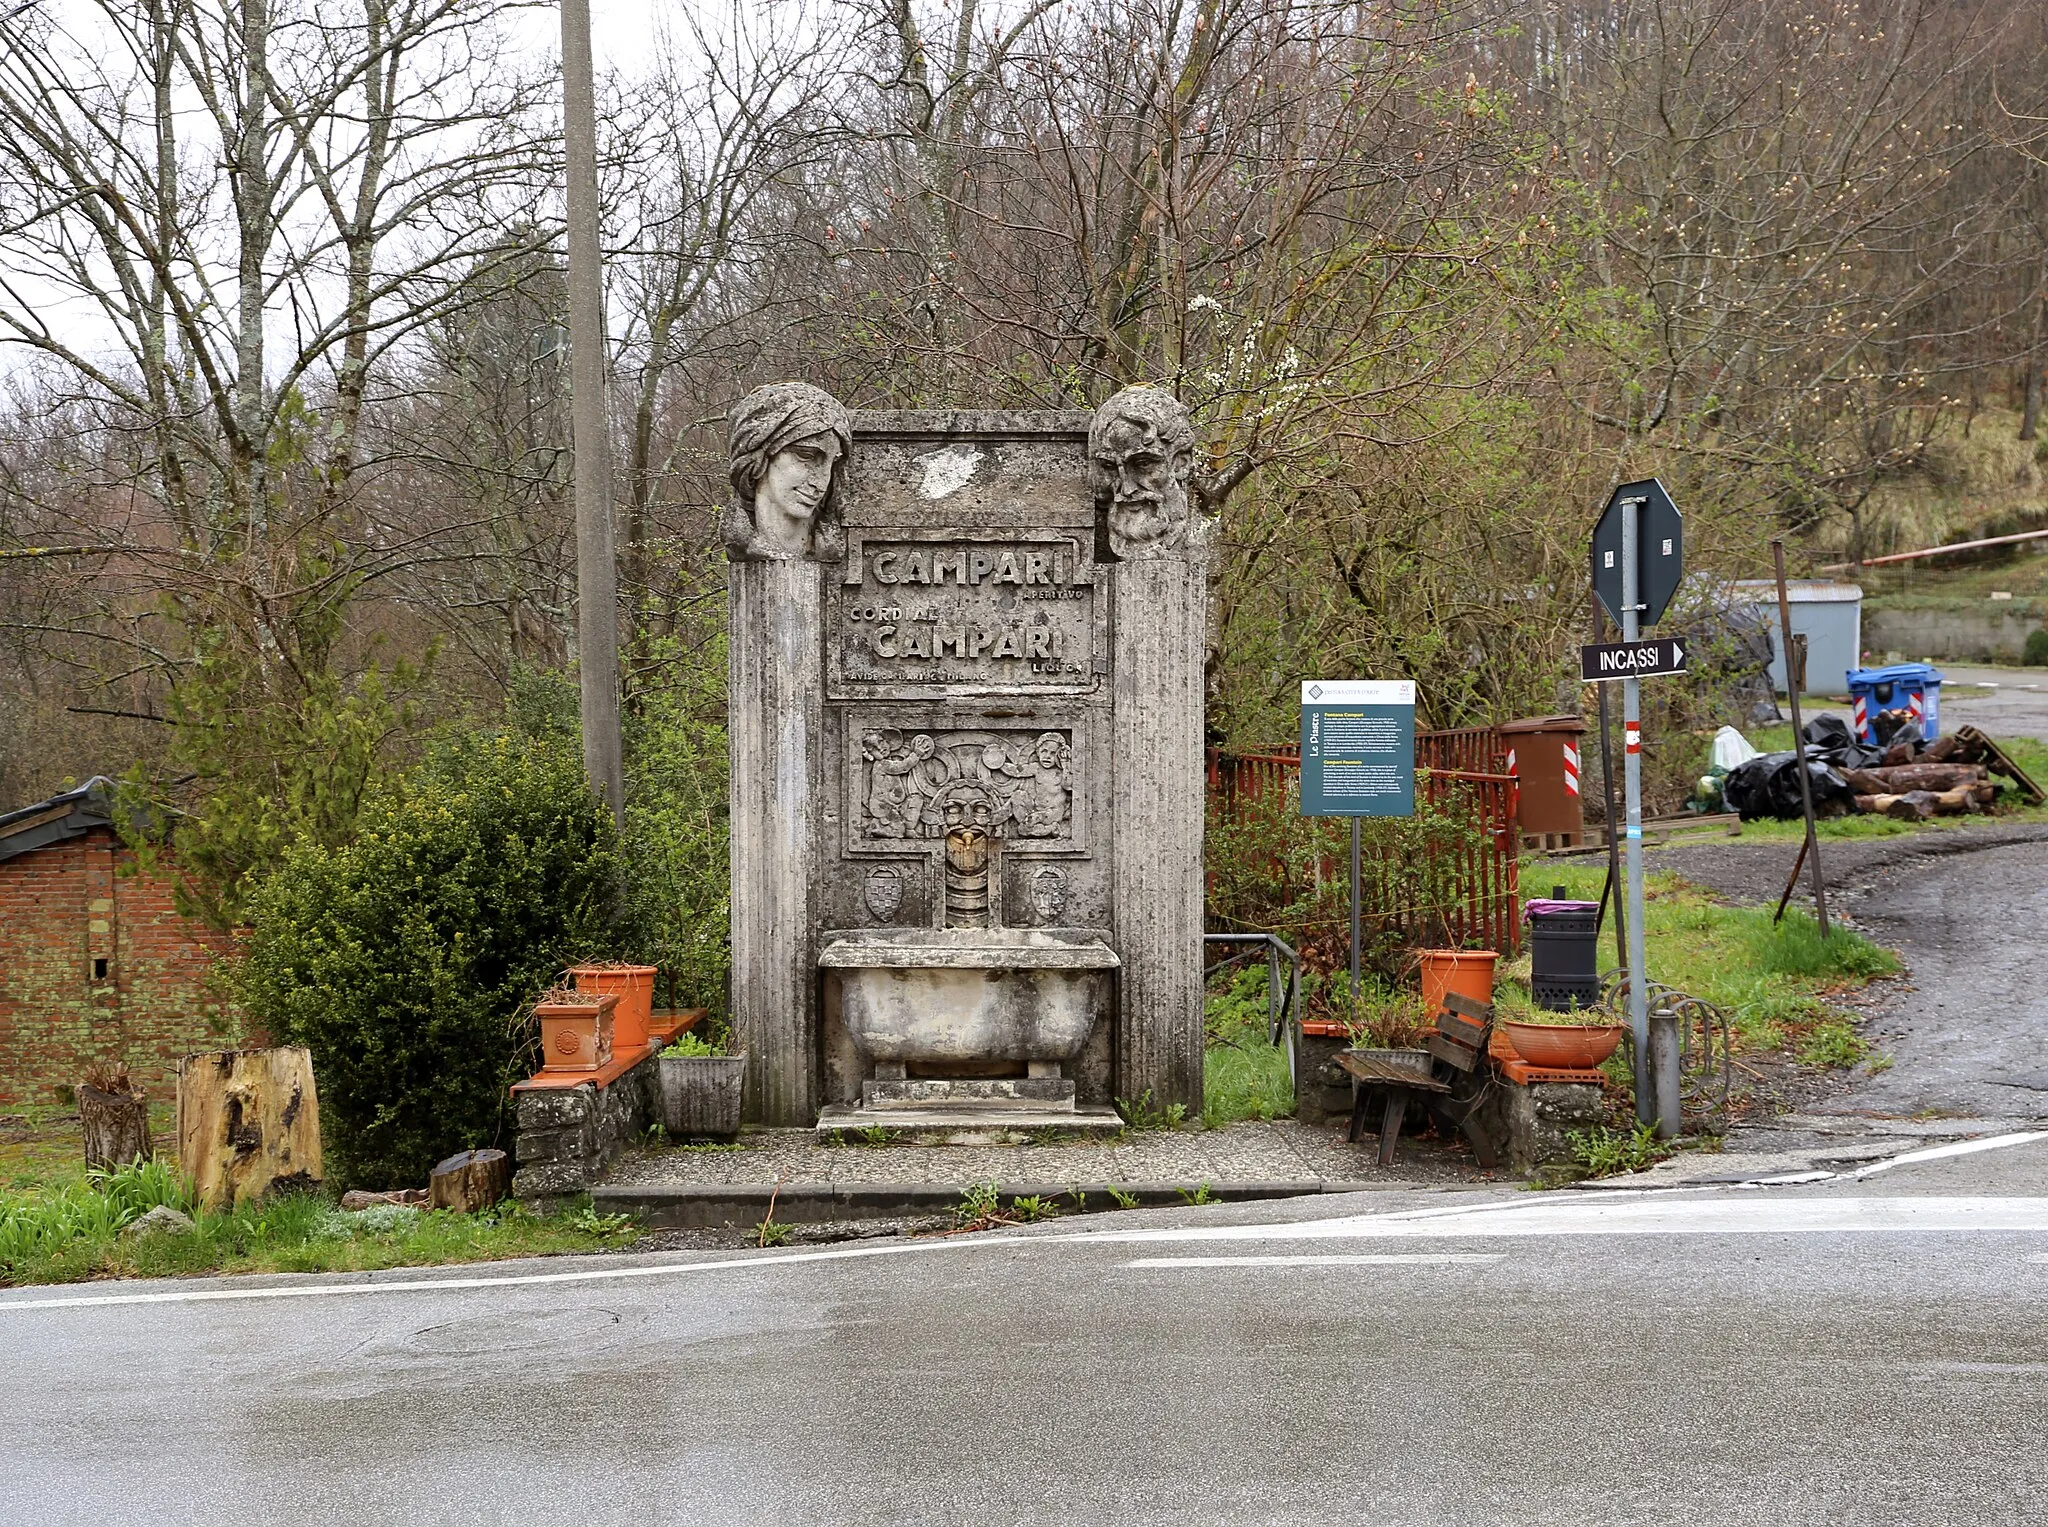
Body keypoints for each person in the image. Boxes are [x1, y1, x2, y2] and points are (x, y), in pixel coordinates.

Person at [725, 382, 851, 561]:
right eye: (805, 456)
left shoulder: (830, 545)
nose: (820, 482)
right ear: (759, 455)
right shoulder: (739, 536)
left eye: (832, 462)